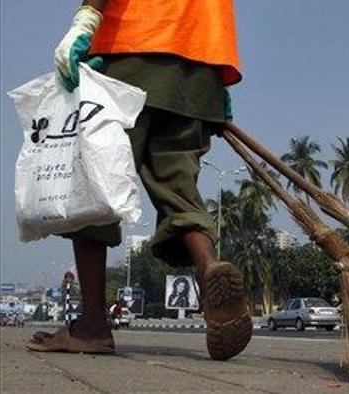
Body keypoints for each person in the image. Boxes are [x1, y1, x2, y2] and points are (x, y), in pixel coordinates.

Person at [27, 0, 252, 361]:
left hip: (129, 50)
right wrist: (218, 81)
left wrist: (85, 20)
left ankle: (93, 326)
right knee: (178, 184)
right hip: (201, 61)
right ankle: (209, 267)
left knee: (94, 182)